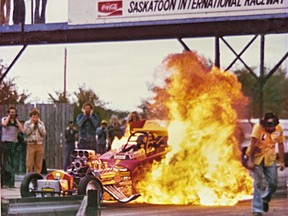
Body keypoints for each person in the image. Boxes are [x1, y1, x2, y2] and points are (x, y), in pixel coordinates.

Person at [246, 112, 285, 216]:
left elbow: (281, 145)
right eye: (268, 126)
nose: (270, 128)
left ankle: (265, 199)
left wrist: (281, 161)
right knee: (258, 183)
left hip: (270, 158)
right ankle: (257, 210)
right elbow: (253, 144)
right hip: (257, 158)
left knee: (273, 183)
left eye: (272, 126)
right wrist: (251, 160)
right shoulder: (258, 128)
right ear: (264, 124)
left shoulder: (279, 129)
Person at [1, 106, 24, 188]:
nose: (12, 114)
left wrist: (16, 120)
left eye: (13, 112)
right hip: (5, 143)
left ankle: (11, 183)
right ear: (8, 113)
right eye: (11, 112)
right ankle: (4, 183)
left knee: (12, 164)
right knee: (5, 163)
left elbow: (22, 130)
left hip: (14, 143)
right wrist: (8, 117)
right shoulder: (4, 119)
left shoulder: (17, 122)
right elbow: (4, 124)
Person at [24, 108, 47, 174]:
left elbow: (44, 133)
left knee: (38, 163)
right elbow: (26, 133)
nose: (35, 118)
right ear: (30, 117)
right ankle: (29, 176)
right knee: (29, 163)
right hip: (30, 144)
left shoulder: (41, 123)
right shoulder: (27, 123)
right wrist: (32, 125)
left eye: (36, 117)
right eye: (33, 117)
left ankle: (37, 176)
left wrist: (39, 125)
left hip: (39, 144)